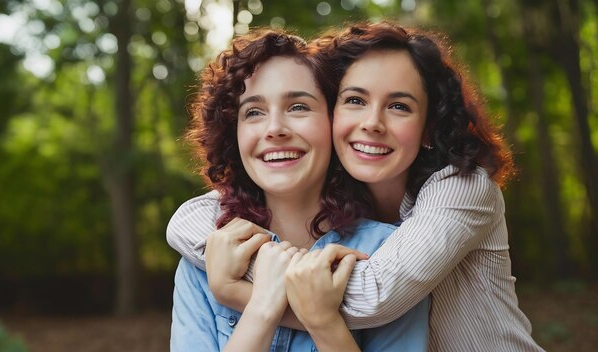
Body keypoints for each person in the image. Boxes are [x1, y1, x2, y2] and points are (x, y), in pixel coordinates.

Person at [168, 21, 544, 351]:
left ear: (429, 128)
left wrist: (236, 290)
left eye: (399, 106)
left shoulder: (459, 191)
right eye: (354, 100)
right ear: (335, 117)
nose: (372, 123)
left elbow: (374, 297)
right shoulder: (348, 197)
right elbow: (189, 220)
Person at [170, 28, 429, 351]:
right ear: (233, 136)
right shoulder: (206, 261)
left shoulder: (388, 255)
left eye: (298, 107)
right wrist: (262, 308)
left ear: (334, 121)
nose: (275, 129)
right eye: (253, 112)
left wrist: (324, 322)